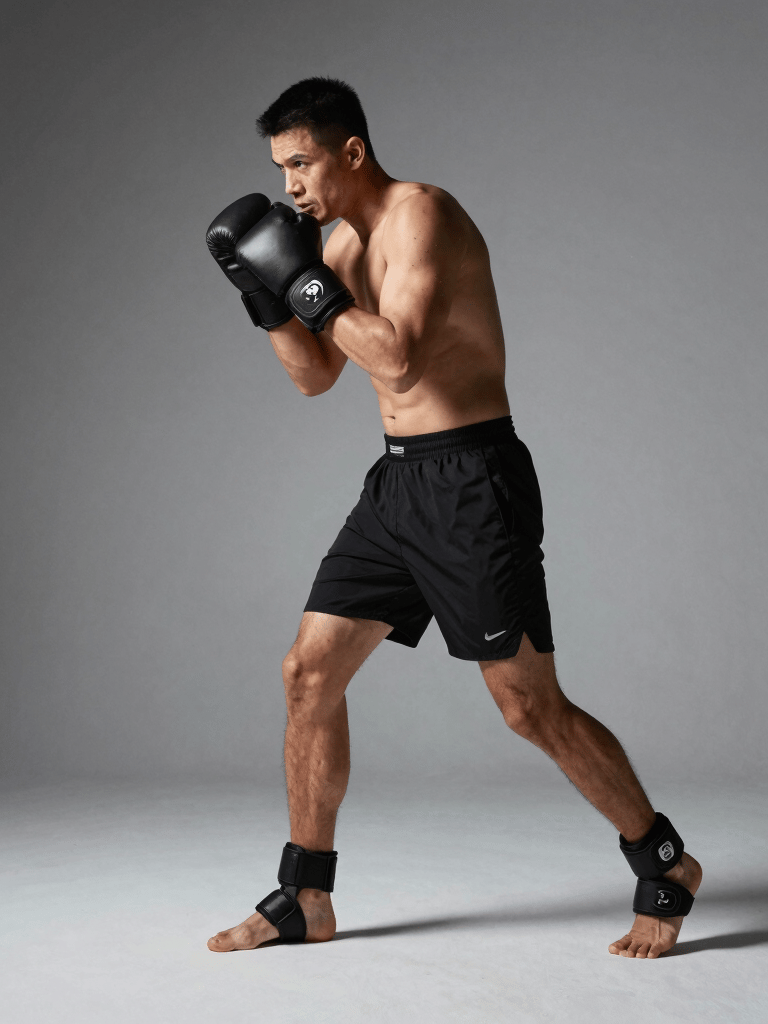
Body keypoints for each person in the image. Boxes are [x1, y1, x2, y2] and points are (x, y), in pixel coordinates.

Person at [205, 77, 701, 958]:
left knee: (527, 709)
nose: (291, 188)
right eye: (280, 170)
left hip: (474, 483)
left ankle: (663, 861)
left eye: (302, 163)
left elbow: (394, 358)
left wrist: (300, 278)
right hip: (397, 490)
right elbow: (317, 377)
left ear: (350, 151)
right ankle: (304, 895)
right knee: (307, 675)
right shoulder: (341, 248)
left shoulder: (422, 215)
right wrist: (265, 294)